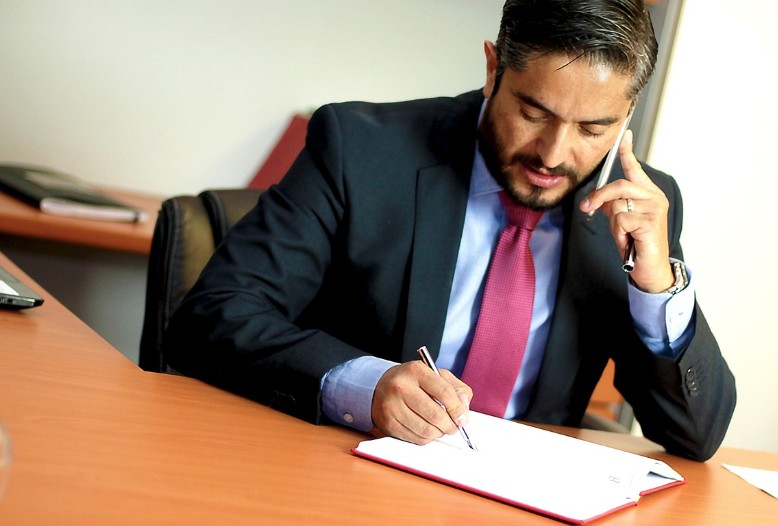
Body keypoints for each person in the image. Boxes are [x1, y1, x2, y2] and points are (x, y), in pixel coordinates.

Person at [163, 0, 735, 461]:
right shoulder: (358, 148)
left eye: (593, 127)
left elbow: (695, 436)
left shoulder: (643, 210)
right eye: (534, 113)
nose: (554, 155)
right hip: (337, 467)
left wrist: (658, 288)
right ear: (493, 69)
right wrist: (363, 385)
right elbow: (212, 316)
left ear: (627, 113)